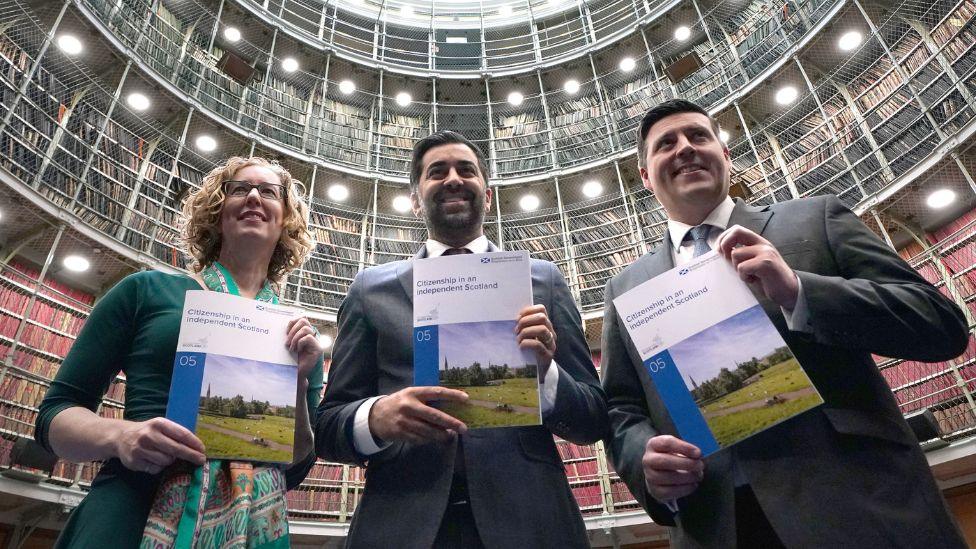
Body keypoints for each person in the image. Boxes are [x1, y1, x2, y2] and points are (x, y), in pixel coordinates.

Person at [601, 99, 969, 548]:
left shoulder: (815, 219)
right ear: (645, 176)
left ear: (725, 153)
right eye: (666, 144)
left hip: (856, 506)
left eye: (699, 136)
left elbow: (939, 323)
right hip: (717, 523)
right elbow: (622, 407)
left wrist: (799, 291)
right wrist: (644, 459)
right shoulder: (625, 289)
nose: (685, 149)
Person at [315, 130, 608, 548]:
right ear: (416, 199)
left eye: (466, 170)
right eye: (437, 172)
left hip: (533, 522)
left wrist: (546, 374)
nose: (453, 178)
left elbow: (593, 419)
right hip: (402, 524)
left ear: (487, 195)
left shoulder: (542, 279)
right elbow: (327, 426)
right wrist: (375, 417)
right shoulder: (369, 289)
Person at [35, 157, 326, 548]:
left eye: (269, 192)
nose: (254, 196)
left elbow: (295, 467)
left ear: (286, 220)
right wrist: (120, 435)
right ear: (217, 211)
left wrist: (298, 380)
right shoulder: (145, 290)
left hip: (251, 524)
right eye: (240, 189)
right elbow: (54, 416)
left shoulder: (298, 335)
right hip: (129, 511)